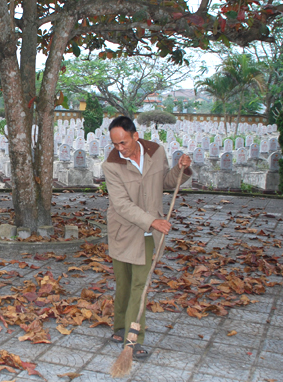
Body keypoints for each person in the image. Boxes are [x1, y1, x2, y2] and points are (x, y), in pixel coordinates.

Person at [101, 116, 192, 360]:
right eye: (115, 144)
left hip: (148, 232)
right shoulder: (111, 165)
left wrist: (181, 169)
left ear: (135, 136)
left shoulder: (156, 152)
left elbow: (165, 182)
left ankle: (133, 338)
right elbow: (120, 204)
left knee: (139, 286)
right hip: (123, 230)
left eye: (123, 143)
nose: (119, 149)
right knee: (124, 282)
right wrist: (151, 220)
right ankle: (119, 326)